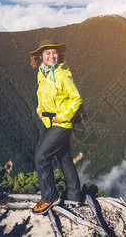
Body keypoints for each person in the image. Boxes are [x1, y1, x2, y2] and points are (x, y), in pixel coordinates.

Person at [30, 39, 82, 215]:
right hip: (53, 123)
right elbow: (41, 95)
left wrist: (61, 116)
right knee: (65, 159)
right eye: (48, 53)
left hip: (62, 124)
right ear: (41, 57)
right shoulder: (43, 73)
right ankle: (75, 197)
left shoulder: (61, 74)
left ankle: (49, 197)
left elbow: (76, 99)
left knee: (41, 157)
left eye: (54, 52)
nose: (52, 56)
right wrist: (40, 110)